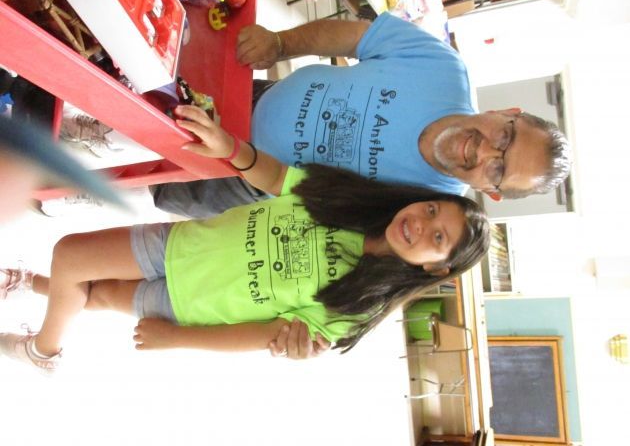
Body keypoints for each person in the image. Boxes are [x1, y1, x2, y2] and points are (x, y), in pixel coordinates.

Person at [150, 13, 572, 357]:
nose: (485, 151)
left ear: (491, 192)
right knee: (149, 79)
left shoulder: (437, 210)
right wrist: (279, 44)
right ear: (507, 112)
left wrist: (307, 336)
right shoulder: (444, 68)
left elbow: (368, 276)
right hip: (250, 95)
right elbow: (357, 38)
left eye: (498, 170)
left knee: (140, 167)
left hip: (239, 182)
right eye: (506, 137)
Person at [0, 105, 490, 373]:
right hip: (182, 244)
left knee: (100, 294)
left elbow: (261, 336)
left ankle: (33, 291)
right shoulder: (350, 201)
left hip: (190, 303)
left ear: (436, 266)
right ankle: (44, 348)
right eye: (431, 209)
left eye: (437, 236)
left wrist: (179, 338)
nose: (420, 224)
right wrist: (228, 147)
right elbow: (276, 176)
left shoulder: (358, 306)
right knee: (72, 255)